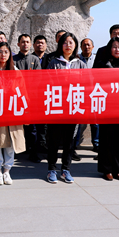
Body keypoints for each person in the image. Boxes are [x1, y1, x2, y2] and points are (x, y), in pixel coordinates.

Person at [45, 32, 87, 184]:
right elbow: (47, 83)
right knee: (54, 140)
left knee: (69, 141)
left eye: (71, 42)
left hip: (73, 107)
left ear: (75, 45)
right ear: (60, 45)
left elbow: (86, 84)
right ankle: (51, 169)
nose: (68, 45)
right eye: (65, 42)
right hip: (57, 107)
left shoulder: (80, 64)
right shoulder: (53, 62)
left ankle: (66, 169)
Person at [0, 42, 26, 185]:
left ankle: (7, 171)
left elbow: (22, 92)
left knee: (10, 142)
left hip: (12, 110)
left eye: (6, 52)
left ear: (10, 54)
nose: (3, 55)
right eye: (0, 51)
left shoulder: (15, 71)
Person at [94, 38, 119, 181]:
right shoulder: (102, 64)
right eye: (114, 47)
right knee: (107, 139)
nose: (117, 50)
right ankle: (106, 169)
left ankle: (118, 169)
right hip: (107, 105)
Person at [12, 34, 42, 162]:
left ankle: (33, 152)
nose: (25, 44)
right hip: (16, 98)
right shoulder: (13, 60)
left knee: (32, 128)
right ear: (18, 44)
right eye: (23, 42)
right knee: (15, 126)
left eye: (27, 42)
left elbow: (38, 79)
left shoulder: (35, 59)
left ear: (31, 44)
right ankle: (14, 152)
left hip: (31, 99)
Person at [78, 37, 99, 152]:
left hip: (94, 93)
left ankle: (96, 143)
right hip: (79, 93)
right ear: (81, 47)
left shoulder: (97, 59)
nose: (86, 47)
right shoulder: (76, 59)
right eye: (84, 45)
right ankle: (75, 143)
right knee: (78, 121)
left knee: (95, 121)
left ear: (93, 47)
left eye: (88, 45)